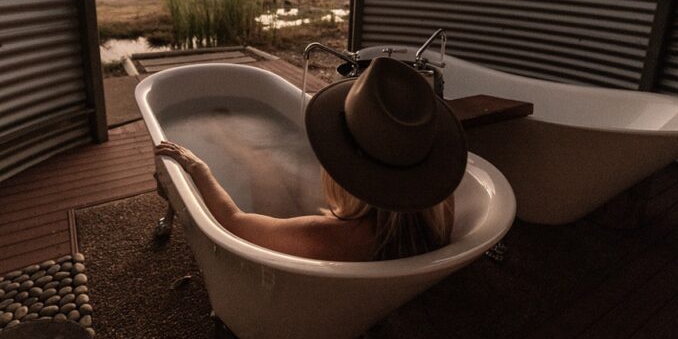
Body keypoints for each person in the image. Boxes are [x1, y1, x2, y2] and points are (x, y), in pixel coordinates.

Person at [154, 57, 468, 261]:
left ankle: (240, 148)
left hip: (305, 265)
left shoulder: (330, 238)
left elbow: (233, 223)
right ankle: (247, 152)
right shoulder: (441, 203)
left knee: (262, 167)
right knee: (278, 171)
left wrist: (197, 167)